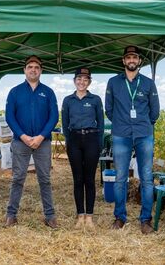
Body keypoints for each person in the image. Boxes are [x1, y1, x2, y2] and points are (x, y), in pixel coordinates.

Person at [105, 46, 160, 234]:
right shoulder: (113, 82)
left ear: (139, 61)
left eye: (134, 57)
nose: (131, 60)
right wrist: (122, 123)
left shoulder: (148, 83)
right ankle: (120, 217)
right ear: (123, 61)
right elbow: (109, 110)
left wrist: (143, 123)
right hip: (121, 134)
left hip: (144, 133)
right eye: (128, 57)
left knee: (146, 177)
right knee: (120, 178)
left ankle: (145, 220)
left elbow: (155, 111)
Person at [4, 55, 59, 228]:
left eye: (36, 67)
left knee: (45, 179)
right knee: (18, 178)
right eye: (30, 67)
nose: (33, 69)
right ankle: (11, 215)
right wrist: (23, 136)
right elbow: (9, 117)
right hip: (21, 142)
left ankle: (50, 216)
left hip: (43, 142)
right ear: (24, 70)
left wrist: (41, 136)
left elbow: (54, 117)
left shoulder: (48, 92)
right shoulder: (15, 92)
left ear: (41, 71)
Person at [61, 67, 104, 229]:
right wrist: (69, 140)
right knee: (78, 179)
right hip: (74, 140)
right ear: (74, 81)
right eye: (79, 79)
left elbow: (100, 123)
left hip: (92, 139)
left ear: (89, 82)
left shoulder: (95, 99)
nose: (82, 82)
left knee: (90, 179)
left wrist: (99, 144)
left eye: (85, 79)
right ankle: (80, 216)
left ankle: (90, 217)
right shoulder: (68, 100)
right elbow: (65, 124)